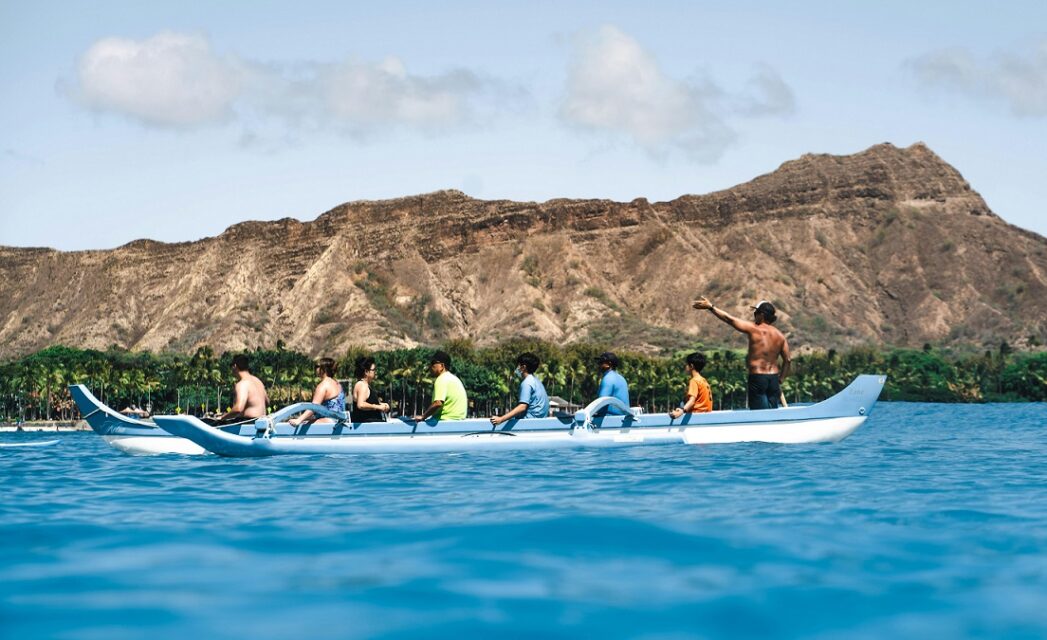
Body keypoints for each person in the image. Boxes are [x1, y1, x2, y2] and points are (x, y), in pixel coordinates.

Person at [692, 297, 791, 410]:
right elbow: (787, 360)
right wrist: (781, 379)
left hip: (758, 378)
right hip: (773, 379)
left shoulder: (755, 328)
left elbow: (729, 319)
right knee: (772, 412)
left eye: (756, 313)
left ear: (762, 315)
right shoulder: (780, 335)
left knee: (759, 415)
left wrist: (711, 307)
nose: (754, 315)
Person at [490, 352, 550, 425]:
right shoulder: (536, 381)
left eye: (518, 365)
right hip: (540, 423)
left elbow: (522, 407)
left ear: (523, 367)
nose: (517, 368)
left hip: (529, 423)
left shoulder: (527, 383)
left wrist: (501, 419)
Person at [413, 351, 468, 421]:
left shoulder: (441, 379)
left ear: (442, 366)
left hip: (444, 422)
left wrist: (423, 416)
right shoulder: (455, 379)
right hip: (459, 421)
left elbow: (438, 403)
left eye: (433, 363)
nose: (430, 366)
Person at [290, 358, 345, 426]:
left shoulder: (323, 386)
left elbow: (313, 408)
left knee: (303, 426)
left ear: (323, 369)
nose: (315, 369)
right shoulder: (338, 384)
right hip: (339, 422)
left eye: (316, 366)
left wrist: (299, 420)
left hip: (328, 422)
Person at [216, 354, 269, 423]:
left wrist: (222, 418)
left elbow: (238, 409)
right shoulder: (258, 381)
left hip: (249, 423)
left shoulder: (242, 384)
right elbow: (267, 402)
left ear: (235, 366)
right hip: (263, 422)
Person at [670, 352, 713, 418]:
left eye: (687, 364)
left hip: (697, 416)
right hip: (706, 416)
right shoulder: (704, 380)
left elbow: (692, 401)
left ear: (691, 366)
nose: (685, 366)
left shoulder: (694, 381)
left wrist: (681, 411)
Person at [351, 356, 390, 423]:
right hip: (367, 427)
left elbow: (368, 403)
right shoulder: (362, 385)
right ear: (366, 371)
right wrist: (378, 407)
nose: (375, 372)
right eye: (373, 370)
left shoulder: (365, 385)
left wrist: (382, 405)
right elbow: (361, 404)